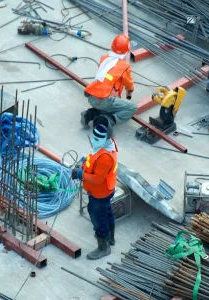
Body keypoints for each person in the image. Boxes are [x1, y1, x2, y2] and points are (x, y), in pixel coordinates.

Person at [71, 116, 118, 260]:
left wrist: (80, 173)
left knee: (98, 217)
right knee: (107, 211)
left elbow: (97, 179)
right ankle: (110, 238)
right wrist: (83, 162)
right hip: (105, 191)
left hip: (100, 193)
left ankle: (104, 247)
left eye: (99, 136)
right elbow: (92, 156)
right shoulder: (106, 145)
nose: (95, 138)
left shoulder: (105, 157)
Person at [81, 34, 137, 129]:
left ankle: (89, 114)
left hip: (91, 96)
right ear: (127, 51)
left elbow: (107, 75)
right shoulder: (124, 67)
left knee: (109, 104)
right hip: (103, 100)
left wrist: (114, 79)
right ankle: (108, 120)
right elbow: (129, 86)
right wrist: (129, 94)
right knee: (132, 107)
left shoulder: (104, 58)